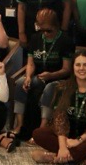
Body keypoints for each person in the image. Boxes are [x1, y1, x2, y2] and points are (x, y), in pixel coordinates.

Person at [31, 52, 86, 165]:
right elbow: (60, 120)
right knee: (39, 133)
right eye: (78, 65)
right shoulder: (63, 88)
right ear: (73, 67)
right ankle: (82, 159)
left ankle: (56, 157)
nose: (81, 68)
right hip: (68, 136)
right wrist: (63, 146)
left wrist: (79, 141)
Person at [10, 8, 74, 142]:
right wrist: (28, 76)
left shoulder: (65, 41)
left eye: (48, 31)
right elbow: (30, 63)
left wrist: (51, 75)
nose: (45, 33)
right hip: (39, 76)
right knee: (21, 83)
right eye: (42, 30)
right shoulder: (35, 38)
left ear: (56, 26)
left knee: (50, 88)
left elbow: (67, 69)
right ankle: (19, 124)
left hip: (59, 78)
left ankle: (41, 129)